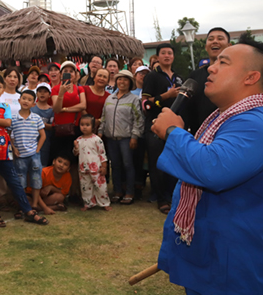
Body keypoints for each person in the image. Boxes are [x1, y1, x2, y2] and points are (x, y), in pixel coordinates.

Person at [151, 38, 263, 295]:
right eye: (214, 61)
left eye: (222, 63)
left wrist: (173, 131)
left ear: (251, 77)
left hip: (238, 266)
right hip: (216, 255)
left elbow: (212, 168)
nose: (211, 68)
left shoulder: (256, 123)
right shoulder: (227, 118)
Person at [0, 73, 48, 227]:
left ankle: (28, 211)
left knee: (14, 182)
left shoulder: (6, 106)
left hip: (4, 150)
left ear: (3, 90)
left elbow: (8, 122)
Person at [142, 44, 184, 213]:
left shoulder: (179, 78)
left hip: (174, 125)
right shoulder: (152, 76)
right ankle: (161, 199)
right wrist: (166, 96)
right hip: (154, 124)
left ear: (173, 56)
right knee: (157, 162)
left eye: (170, 53)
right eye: (163, 53)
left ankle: (173, 196)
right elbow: (145, 103)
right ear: (157, 57)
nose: (167, 56)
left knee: (174, 161)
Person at [98, 70, 143, 205]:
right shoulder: (109, 98)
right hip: (111, 138)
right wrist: (100, 132)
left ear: (130, 83)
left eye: (125, 79)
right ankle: (117, 191)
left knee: (128, 165)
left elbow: (138, 119)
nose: (122, 82)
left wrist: (135, 136)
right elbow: (104, 117)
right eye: (119, 79)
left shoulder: (134, 99)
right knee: (115, 166)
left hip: (126, 138)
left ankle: (129, 192)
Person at [180, 28, 231, 135]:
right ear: (206, 47)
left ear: (229, 46)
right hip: (199, 137)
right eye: (211, 39)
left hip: (229, 134)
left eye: (220, 38)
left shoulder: (236, 74)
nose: (215, 41)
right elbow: (186, 109)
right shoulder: (195, 76)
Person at [10, 90, 46, 215]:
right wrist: (14, 148)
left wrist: (37, 150)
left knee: (36, 179)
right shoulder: (13, 118)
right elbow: (9, 135)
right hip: (20, 156)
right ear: (19, 100)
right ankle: (23, 205)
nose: (26, 101)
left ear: (33, 104)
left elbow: (43, 135)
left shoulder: (36, 118)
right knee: (21, 182)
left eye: (29, 99)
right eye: (24, 98)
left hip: (34, 155)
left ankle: (35, 205)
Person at [51, 61, 86, 163]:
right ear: (61, 74)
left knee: (74, 161)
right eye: (65, 71)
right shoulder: (56, 89)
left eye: (71, 71)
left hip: (75, 128)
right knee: (57, 159)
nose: (69, 73)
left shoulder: (79, 89)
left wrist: (65, 109)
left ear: (75, 75)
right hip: (58, 129)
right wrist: (61, 94)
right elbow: (56, 108)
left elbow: (83, 105)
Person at [73, 115, 110, 211]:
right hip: (83, 168)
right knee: (85, 187)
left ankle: (104, 203)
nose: (84, 127)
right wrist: (76, 147)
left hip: (96, 168)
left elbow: (102, 154)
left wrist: (104, 167)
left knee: (100, 186)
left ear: (93, 127)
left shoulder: (97, 139)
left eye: (87, 125)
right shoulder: (79, 140)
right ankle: (88, 203)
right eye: (82, 125)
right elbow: (76, 153)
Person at [31, 83, 54, 167]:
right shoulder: (31, 108)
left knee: (41, 167)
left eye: (45, 91)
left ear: (49, 95)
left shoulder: (51, 110)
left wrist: (40, 124)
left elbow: (52, 126)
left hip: (45, 144)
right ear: (36, 94)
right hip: (30, 143)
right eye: (40, 91)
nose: (42, 93)